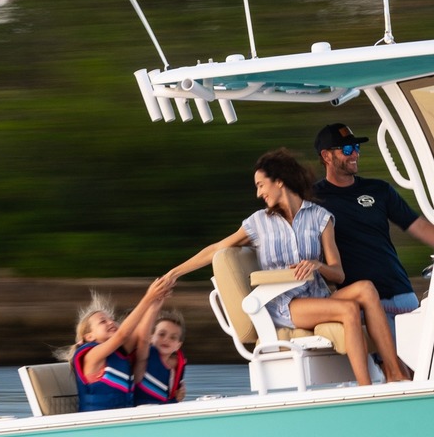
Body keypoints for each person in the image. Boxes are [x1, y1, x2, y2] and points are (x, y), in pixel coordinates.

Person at [168, 148, 412, 386]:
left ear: (280, 181)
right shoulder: (258, 222)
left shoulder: (320, 217)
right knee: (348, 309)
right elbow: (216, 249)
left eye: (261, 185)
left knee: (367, 289)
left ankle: (393, 371)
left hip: (318, 298)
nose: (258, 193)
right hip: (285, 305)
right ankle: (365, 388)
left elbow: (338, 273)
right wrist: (174, 273)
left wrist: (317, 265)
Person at [310, 121, 434, 320]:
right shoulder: (312, 198)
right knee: (390, 352)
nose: (355, 154)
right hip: (361, 303)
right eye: (347, 149)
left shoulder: (379, 189)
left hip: (403, 295)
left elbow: (418, 225)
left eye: (356, 147)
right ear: (326, 156)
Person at [59, 278, 175, 412]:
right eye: (103, 321)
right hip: (98, 424)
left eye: (112, 319)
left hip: (122, 420)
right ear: (89, 336)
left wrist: (155, 303)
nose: (111, 322)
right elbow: (123, 335)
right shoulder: (91, 356)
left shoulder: (119, 353)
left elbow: (141, 334)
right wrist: (148, 297)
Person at [135, 309, 188, 406]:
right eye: (161, 334)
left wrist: (178, 398)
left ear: (178, 346)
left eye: (173, 337)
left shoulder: (174, 371)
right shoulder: (144, 356)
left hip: (161, 413)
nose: (166, 339)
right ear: (151, 338)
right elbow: (142, 340)